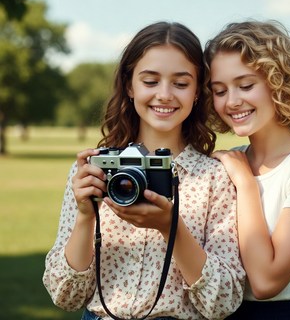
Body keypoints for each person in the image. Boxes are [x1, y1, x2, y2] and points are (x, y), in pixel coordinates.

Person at [43, 21, 245, 320]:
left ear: (198, 91)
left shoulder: (215, 178)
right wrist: (86, 216)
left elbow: (222, 302)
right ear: (129, 85)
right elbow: (65, 295)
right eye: (150, 81)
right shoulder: (94, 171)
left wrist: (170, 227)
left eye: (180, 83)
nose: (164, 95)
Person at [204, 20, 290, 319]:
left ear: (277, 81)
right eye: (219, 90)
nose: (232, 101)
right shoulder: (229, 161)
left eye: (245, 85)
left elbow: (266, 282)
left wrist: (246, 183)